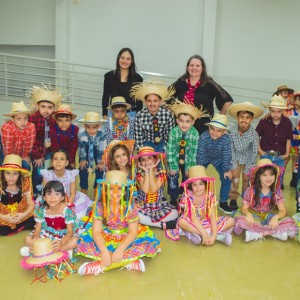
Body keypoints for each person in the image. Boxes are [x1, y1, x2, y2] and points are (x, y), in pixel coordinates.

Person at [77, 170, 161, 275]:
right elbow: (97, 232)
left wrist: (120, 250)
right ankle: (129, 261)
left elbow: (132, 232)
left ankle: (100, 265)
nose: (115, 193)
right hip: (107, 236)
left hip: (126, 237)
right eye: (111, 189)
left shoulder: (130, 207)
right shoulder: (99, 206)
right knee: (87, 245)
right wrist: (104, 251)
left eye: (120, 189)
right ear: (105, 190)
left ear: (125, 191)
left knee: (142, 246)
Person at [165, 166, 235, 245]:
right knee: (181, 222)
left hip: (206, 221)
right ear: (191, 186)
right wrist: (204, 233)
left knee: (231, 221)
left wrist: (214, 235)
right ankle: (206, 234)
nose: (198, 188)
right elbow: (193, 218)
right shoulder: (188, 196)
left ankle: (204, 234)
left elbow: (212, 216)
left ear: (205, 184)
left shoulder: (209, 195)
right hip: (192, 222)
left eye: (201, 184)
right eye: (194, 185)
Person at [233, 159, 297, 242]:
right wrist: (248, 215)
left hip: (270, 217)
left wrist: (276, 217)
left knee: (290, 221)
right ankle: (275, 233)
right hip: (254, 217)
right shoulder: (251, 191)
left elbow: (283, 210)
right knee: (239, 220)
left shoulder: (276, 191)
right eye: (264, 175)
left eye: (271, 174)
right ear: (258, 176)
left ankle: (257, 233)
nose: (269, 178)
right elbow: (244, 208)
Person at [171, 54, 233, 135]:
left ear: (202, 68)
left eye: (197, 66)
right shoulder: (180, 82)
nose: (194, 68)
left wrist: (219, 120)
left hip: (202, 129)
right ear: (187, 67)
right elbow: (166, 95)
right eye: (191, 65)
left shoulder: (209, 84)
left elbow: (227, 100)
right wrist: (174, 110)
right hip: (182, 127)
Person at [166, 99, 209, 206]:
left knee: (187, 178)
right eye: (181, 121)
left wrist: (189, 168)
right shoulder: (174, 132)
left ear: (193, 122)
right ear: (177, 120)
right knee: (172, 178)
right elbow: (170, 149)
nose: (184, 124)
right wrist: (172, 166)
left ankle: (186, 194)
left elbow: (193, 152)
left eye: (187, 121)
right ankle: (173, 196)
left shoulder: (195, 134)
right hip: (175, 159)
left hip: (188, 160)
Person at [21, 181, 78, 256]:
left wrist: (61, 242)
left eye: (57, 194)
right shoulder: (41, 209)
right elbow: (37, 229)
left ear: (62, 197)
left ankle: (42, 251)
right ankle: (55, 251)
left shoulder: (67, 210)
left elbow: (70, 232)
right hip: (47, 233)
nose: (52, 197)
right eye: (49, 194)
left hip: (64, 235)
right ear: (44, 197)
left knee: (76, 241)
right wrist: (35, 240)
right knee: (28, 239)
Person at [227, 102, 264, 211]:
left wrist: (248, 168)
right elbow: (231, 149)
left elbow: (254, 152)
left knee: (246, 179)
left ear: (252, 119)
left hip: (248, 160)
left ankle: (246, 198)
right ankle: (233, 198)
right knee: (235, 178)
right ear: (237, 118)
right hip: (236, 158)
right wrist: (233, 166)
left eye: (247, 118)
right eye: (241, 117)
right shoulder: (232, 131)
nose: (244, 120)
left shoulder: (254, 134)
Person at [28, 84, 62, 196]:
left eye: (49, 107)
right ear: (37, 106)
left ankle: (47, 192)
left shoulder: (53, 120)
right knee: (38, 172)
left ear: (54, 108)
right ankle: (36, 193)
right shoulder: (33, 119)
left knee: (48, 172)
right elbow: (33, 139)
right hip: (37, 152)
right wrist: (39, 155)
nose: (46, 110)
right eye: (43, 106)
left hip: (48, 151)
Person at [38, 149, 92, 220]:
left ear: (66, 163)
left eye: (62, 159)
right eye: (55, 159)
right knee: (44, 214)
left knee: (75, 216)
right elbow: (46, 193)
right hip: (52, 200)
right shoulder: (48, 175)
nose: (58, 161)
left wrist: (67, 206)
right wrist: (51, 205)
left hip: (68, 199)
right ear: (52, 162)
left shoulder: (71, 175)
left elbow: (72, 194)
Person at [196, 114, 233, 214]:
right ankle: (199, 200)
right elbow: (200, 154)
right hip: (204, 158)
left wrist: (226, 170)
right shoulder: (203, 137)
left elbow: (226, 154)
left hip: (219, 159)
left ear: (224, 132)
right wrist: (200, 170)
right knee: (198, 178)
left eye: (219, 130)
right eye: (212, 129)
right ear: (209, 127)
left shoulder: (226, 139)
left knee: (227, 178)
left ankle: (223, 202)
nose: (214, 132)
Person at [135, 146, 178, 229]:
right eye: (143, 160)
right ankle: (161, 225)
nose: (146, 162)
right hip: (143, 206)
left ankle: (148, 221)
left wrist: (150, 171)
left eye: (149, 158)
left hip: (158, 206)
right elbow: (146, 190)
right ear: (140, 162)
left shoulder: (161, 173)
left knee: (175, 213)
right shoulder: (140, 174)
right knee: (133, 213)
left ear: (155, 160)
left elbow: (154, 189)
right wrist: (147, 172)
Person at [131, 80, 175, 152]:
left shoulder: (168, 114)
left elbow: (169, 136)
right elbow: (139, 138)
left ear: (160, 102)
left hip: (163, 145)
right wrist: (144, 153)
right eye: (149, 101)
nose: (152, 104)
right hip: (147, 145)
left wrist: (164, 152)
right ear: (145, 102)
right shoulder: (140, 116)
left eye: (155, 101)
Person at [102, 47, 143, 119]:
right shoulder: (109, 76)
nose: (125, 61)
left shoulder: (138, 78)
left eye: (128, 59)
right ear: (118, 58)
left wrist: (138, 117)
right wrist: (105, 115)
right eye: (122, 58)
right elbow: (105, 97)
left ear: (132, 61)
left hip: (132, 115)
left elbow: (139, 102)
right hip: (113, 115)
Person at [0, 154, 35, 236]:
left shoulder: (24, 183)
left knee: (36, 219)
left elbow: (31, 203)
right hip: (2, 214)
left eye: (15, 174)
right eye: (8, 173)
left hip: (20, 213)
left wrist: (23, 215)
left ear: (20, 174)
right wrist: (4, 217)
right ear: (3, 173)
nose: (11, 177)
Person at [257, 95, 293, 171]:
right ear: (269, 110)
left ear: (283, 111)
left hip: (280, 156)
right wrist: (259, 150)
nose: (275, 114)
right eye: (273, 111)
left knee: (278, 177)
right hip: (265, 155)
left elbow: (289, 139)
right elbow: (255, 136)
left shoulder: (287, 122)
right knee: (264, 176)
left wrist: (287, 153)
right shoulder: (264, 121)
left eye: (279, 111)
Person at [77, 112, 106, 195]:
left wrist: (100, 162)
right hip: (85, 150)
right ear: (84, 126)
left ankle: (97, 189)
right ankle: (84, 189)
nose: (91, 130)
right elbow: (81, 148)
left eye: (94, 128)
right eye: (88, 127)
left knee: (100, 169)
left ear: (99, 126)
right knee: (82, 168)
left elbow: (101, 149)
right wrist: (82, 159)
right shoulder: (82, 134)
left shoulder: (102, 135)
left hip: (98, 151)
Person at [1, 101, 35, 170]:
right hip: (7, 153)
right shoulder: (7, 128)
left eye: (25, 118)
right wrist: (16, 160)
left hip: (22, 153)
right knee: (8, 169)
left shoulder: (31, 127)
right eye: (19, 119)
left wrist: (24, 156)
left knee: (26, 166)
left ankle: (24, 180)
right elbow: (8, 151)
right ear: (13, 120)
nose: (23, 122)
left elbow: (28, 146)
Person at [50, 104, 79, 169]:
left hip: (69, 154)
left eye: (67, 120)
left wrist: (71, 161)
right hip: (56, 153)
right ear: (56, 121)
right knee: (55, 170)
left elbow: (73, 147)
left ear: (71, 120)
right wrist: (58, 160)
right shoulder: (53, 130)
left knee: (71, 170)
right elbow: (55, 146)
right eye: (60, 120)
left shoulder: (74, 130)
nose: (64, 124)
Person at [288, 91, 300, 187]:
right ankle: (294, 178)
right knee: (294, 157)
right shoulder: (291, 112)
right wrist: (292, 134)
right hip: (293, 141)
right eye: (295, 99)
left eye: (299, 100)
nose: (297, 102)